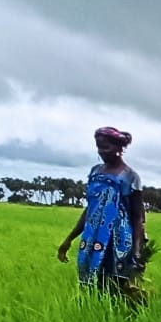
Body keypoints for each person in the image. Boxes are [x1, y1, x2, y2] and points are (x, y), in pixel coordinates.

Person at [57, 127, 147, 306]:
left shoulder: (130, 176)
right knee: (89, 285)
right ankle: (94, 319)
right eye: (99, 147)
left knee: (116, 286)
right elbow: (91, 208)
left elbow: (138, 217)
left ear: (119, 147)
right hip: (92, 237)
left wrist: (137, 250)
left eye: (106, 147)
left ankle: (126, 318)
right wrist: (68, 240)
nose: (101, 152)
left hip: (118, 240)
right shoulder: (95, 172)